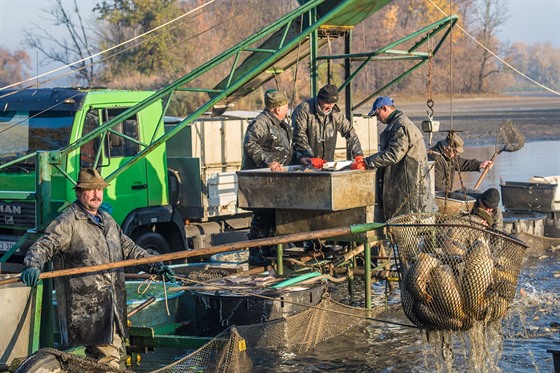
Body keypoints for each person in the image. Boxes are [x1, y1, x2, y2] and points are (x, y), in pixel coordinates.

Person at [20, 168, 175, 369]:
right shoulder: (68, 221)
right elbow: (43, 245)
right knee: (108, 361)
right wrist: (32, 265)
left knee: (114, 358)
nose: (96, 194)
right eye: (90, 190)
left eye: (99, 189)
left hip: (113, 306)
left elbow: (128, 247)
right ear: (78, 193)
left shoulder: (107, 220)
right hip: (89, 308)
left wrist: (154, 264)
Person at [353, 96, 436, 221]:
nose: (377, 118)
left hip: (409, 187)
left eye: (377, 114)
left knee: (405, 227)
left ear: (384, 108)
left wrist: (367, 161)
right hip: (407, 185)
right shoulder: (397, 124)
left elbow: (393, 154)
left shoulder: (400, 126)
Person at [241, 89, 292, 266]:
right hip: (261, 180)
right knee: (261, 217)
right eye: (286, 106)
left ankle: (269, 249)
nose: (287, 109)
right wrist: (268, 161)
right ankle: (255, 252)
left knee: (271, 216)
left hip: (275, 181)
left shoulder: (279, 123)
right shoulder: (261, 123)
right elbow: (250, 144)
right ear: (278, 108)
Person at [292, 84, 363, 169]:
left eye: (333, 103)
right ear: (319, 99)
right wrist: (309, 156)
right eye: (327, 103)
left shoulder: (336, 114)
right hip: (304, 164)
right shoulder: (304, 109)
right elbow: (298, 134)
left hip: (327, 164)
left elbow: (349, 132)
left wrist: (358, 154)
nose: (330, 106)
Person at [428, 132, 494, 193]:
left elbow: (462, 163)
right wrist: (452, 198)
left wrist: (480, 164)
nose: (456, 154)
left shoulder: (450, 155)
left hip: (445, 193)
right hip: (436, 196)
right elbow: (438, 186)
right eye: (455, 152)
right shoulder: (434, 159)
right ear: (447, 148)